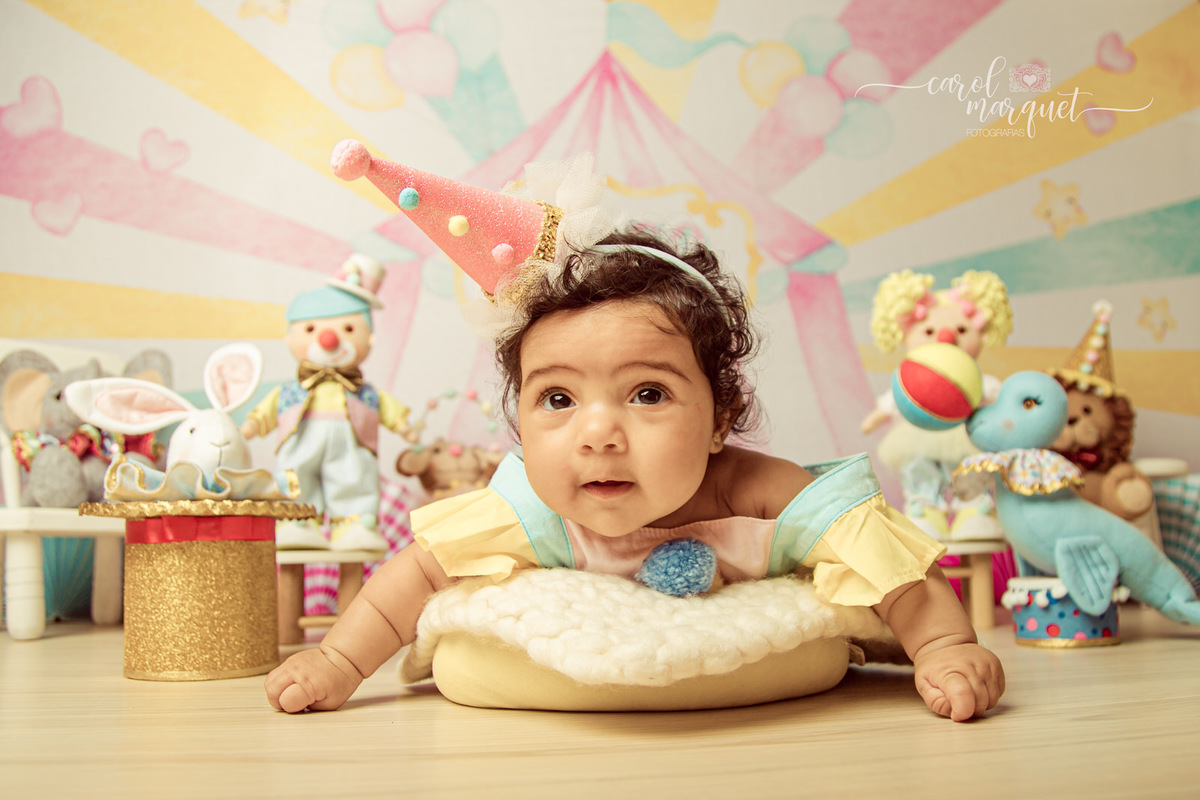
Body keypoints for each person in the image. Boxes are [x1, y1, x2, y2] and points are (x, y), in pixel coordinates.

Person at [265, 230, 1005, 722]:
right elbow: (409, 582)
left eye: (647, 394)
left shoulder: (760, 494)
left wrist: (944, 648)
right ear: (519, 424)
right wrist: (337, 660)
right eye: (557, 399)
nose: (597, 434)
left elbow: (887, 560)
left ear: (721, 415)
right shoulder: (527, 508)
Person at [242, 254, 417, 551]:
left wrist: (404, 428)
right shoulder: (289, 391)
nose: (328, 339)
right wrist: (251, 425)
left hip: (352, 445)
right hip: (301, 441)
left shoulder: (365, 393)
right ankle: (296, 522)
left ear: (369, 338)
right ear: (289, 338)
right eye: (310, 330)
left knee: (355, 476)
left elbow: (389, 409)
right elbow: (267, 409)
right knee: (294, 473)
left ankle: (354, 524)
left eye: (348, 329)